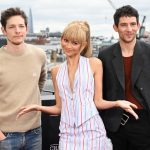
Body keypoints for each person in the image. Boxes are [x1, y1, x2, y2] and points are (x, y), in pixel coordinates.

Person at [17, 20, 138, 150]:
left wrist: (117, 103)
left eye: (74, 43)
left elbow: (98, 102)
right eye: (66, 40)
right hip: (67, 134)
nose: (68, 46)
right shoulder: (56, 71)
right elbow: (59, 108)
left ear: (83, 45)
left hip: (93, 131)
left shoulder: (94, 64)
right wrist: (37, 107)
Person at [98, 5, 150, 150]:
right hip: (115, 123)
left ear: (138, 25)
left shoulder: (148, 52)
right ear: (115, 27)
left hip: (144, 122)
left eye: (133, 24)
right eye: (124, 25)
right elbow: (101, 91)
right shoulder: (105, 55)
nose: (129, 29)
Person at [0, 7, 47, 150]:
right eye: (12, 27)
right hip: (6, 135)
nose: (17, 31)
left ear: (26, 28)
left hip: (35, 132)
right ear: (3, 30)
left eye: (21, 26)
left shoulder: (39, 55)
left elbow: (41, 81)